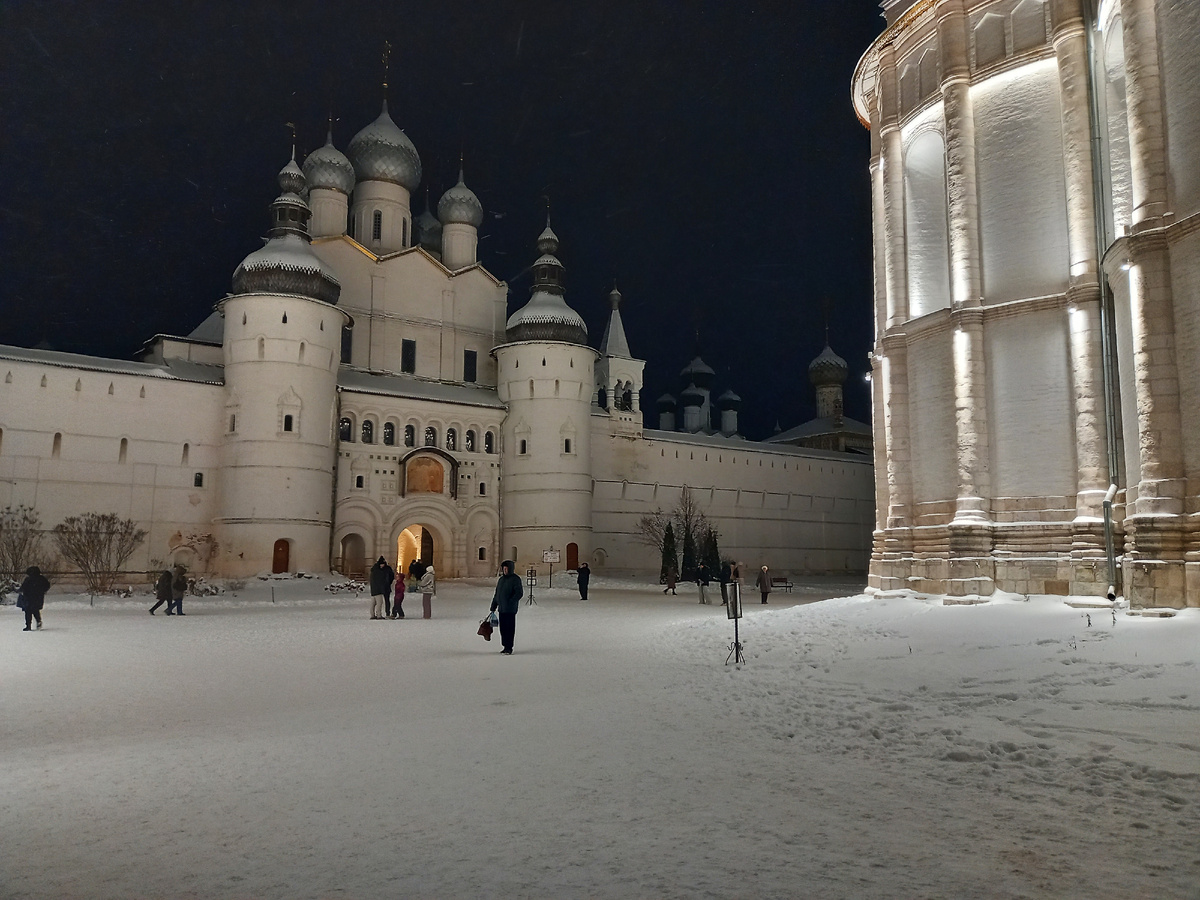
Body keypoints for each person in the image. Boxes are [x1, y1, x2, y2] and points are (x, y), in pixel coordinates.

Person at [490, 560, 523, 654]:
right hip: (502, 609)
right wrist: (493, 605)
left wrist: (511, 601)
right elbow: (497, 594)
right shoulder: (501, 580)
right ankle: (505, 646)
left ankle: (509, 647)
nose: (505, 570)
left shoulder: (515, 579)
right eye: (503, 569)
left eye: (506, 569)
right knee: (503, 629)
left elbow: (519, 593)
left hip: (510, 609)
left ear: (510, 569)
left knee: (509, 628)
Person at [18, 565, 50, 631]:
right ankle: (38, 621)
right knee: (35, 610)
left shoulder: (28, 579)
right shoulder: (41, 579)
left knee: (28, 612)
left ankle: (28, 626)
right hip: (38, 597)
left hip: (28, 598)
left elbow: (23, 588)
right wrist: (42, 591)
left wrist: (21, 591)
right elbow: (47, 586)